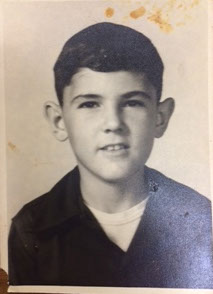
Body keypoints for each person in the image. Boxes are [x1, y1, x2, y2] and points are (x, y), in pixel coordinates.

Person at [8, 22, 213, 288]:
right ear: (59, 120)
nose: (113, 123)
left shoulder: (202, 219)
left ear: (160, 117)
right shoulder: (31, 228)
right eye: (90, 104)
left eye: (132, 102)